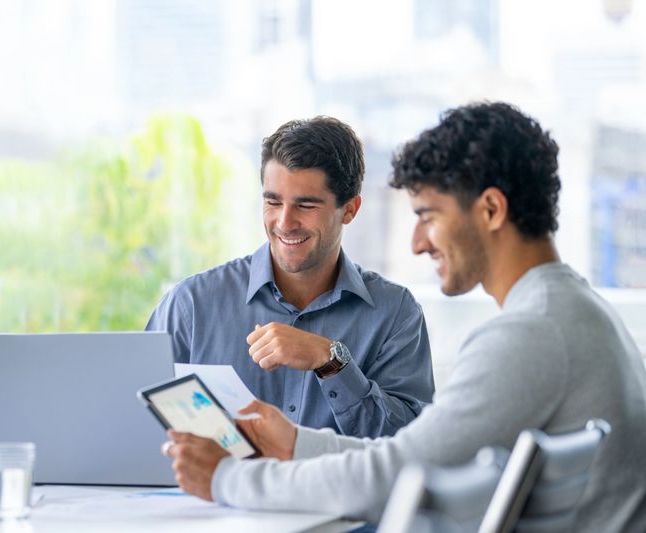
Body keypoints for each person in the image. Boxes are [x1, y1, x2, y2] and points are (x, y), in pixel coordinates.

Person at [163, 102, 646, 531]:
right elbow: (413, 459)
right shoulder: (572, 312)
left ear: (492, 210)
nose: (417, 242)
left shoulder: (531, 334)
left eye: (429, 216)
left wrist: (228, 477)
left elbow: (403, 477)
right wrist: (295, 444)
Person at [146, 116, 434, 438]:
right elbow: (137, 425)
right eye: (272, 202)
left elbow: (410, 445)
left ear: (350, 209)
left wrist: (331, 363)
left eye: (305, 205)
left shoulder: (395, 314)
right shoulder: (191, 306)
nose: (284, 222)